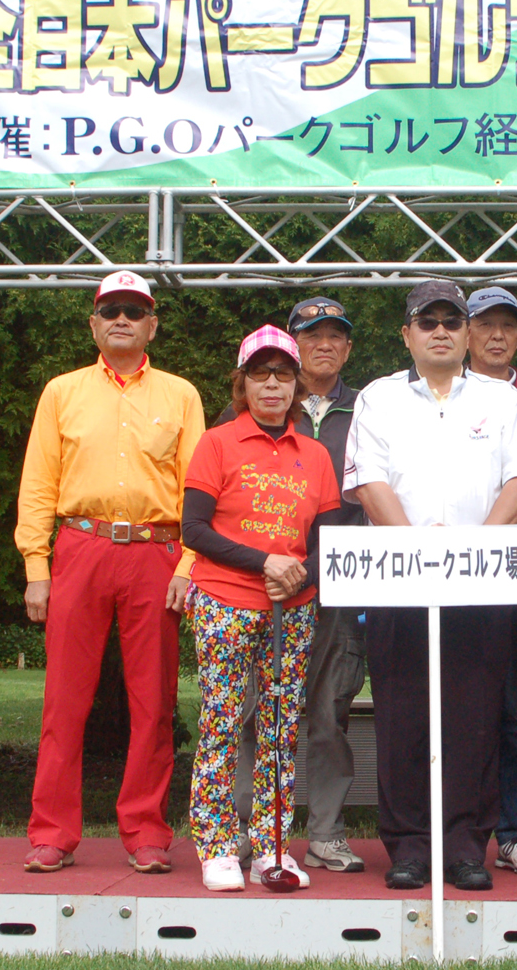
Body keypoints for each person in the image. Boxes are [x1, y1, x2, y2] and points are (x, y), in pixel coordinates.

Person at [343, 279, 517, 892]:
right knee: (402, 718)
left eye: (451, 321)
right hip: (400, 584)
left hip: (478, 586)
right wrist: (419, 550)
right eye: (427, 321)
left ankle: (464, 847)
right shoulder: (379, 398)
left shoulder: (504, 400)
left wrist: (470, 551)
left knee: (475, 719)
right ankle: (409, 847)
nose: (440, 331)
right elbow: (369, 482)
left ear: (466, 335)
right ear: (406, 334)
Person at [17, 269, 204, 874]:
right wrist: (36, 566)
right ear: (93, 324)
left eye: (135, 310)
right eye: (110, 310)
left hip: (156, 551)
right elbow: (39, 483)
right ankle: (52, 832)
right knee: (63, 699)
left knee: (154, 701)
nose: (122, 319)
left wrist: (189, 564)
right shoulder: (61, 391)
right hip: (81, 546)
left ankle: (147, 831)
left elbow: (197, 489)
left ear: (153, 325)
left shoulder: (180, 394)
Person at [182, 326, 344, 892]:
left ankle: (272, 847)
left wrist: (299, 573)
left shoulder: (315, 454)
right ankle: (218, 846)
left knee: (280, 725)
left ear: (297, 384)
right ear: (243, 383)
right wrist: (265, 563)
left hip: (291, 608)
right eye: (259, 373)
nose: (271, 384)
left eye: (282, 374)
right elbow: (195, 529)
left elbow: (327, 539)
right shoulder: (218, 442)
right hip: (225, 600)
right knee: (223, 722)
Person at [216, 297, 369, 874]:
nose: (324, 344)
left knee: (330, 711)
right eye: (311, 335)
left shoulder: (371, 407)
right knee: (255, 711)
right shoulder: (258, 407)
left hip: (339, 586)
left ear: (348, 347)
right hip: (262, 587)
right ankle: (248, 830)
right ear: (292, 345)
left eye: (335, 335)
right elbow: (218, 502)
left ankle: (326, 833)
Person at [465, 287, 517, 877]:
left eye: (508, 326)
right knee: (456, 710)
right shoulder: (437, 397)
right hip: (446, 576)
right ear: (467, 333)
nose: (497, 336)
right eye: (485, 325)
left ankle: (514, 833)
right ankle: (455, 832)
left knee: (515, 714)